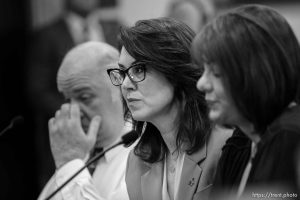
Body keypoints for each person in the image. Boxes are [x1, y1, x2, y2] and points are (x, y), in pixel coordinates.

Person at [107, 17, 232, 200]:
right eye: (123, 72)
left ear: (176, 70)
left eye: (138, 70)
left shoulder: (224, 146)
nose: (125, 85)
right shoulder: (138, 161)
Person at [192, 4, 300, 199]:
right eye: (203, 70)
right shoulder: (241, 139)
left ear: (256, 73)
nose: (201, 84)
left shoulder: (290, 137)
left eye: (215, 72)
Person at [27, 0, 121, 188]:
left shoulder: (117, 28)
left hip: (116, 133)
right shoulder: (46, 35)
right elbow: (37, 90)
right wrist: (77, 113)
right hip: (70, 136)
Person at [37, 41, 134, 200]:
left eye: (84, 97)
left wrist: (69, 162)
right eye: (68, 100)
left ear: (118, 85)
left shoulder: (143, 156)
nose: (73, 112)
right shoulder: (80, 150)